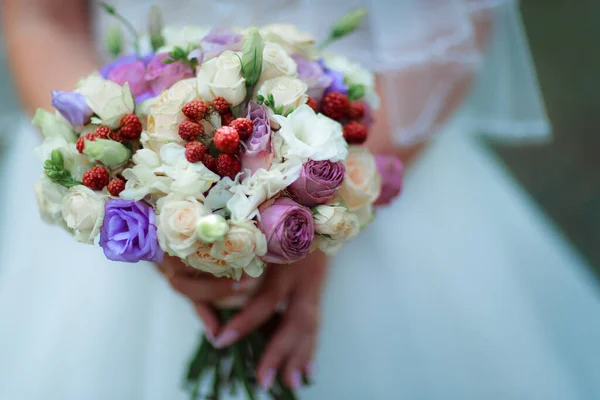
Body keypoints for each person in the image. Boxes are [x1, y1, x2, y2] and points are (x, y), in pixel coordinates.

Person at [2, 0, 600, 399]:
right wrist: (142, 193)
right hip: (130, 169)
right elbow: (40, 18)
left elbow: (452, 21)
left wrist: (314, 217)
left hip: (374, 145)